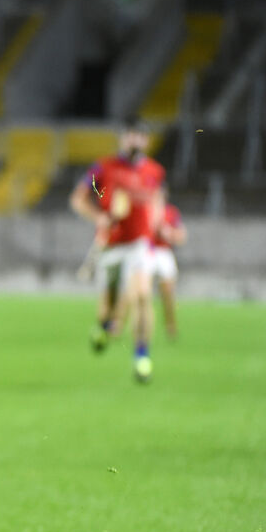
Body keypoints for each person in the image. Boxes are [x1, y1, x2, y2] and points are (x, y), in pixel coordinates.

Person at [69, 120, 165, 382]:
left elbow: (156, 198)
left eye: (141, 136)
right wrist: (98, 215)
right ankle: (102, 326)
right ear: (124, 138)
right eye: (132, 135)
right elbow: (81, 196)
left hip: (139, 244)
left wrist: (156, 224)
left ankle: (142, 356)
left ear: (146, 141)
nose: (136, 141)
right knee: (109, 309)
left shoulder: (153, 171)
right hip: (111, 244)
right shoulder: (103, 168)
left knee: (143, 295)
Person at [148, 185, 186, 340]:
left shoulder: (171, 212)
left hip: (164, 253)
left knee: (168, 292)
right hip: (147, 251)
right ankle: (121, 323)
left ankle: (171, 324)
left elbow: (181, 236)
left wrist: (169, 233)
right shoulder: (146, 211)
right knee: (140, 291)